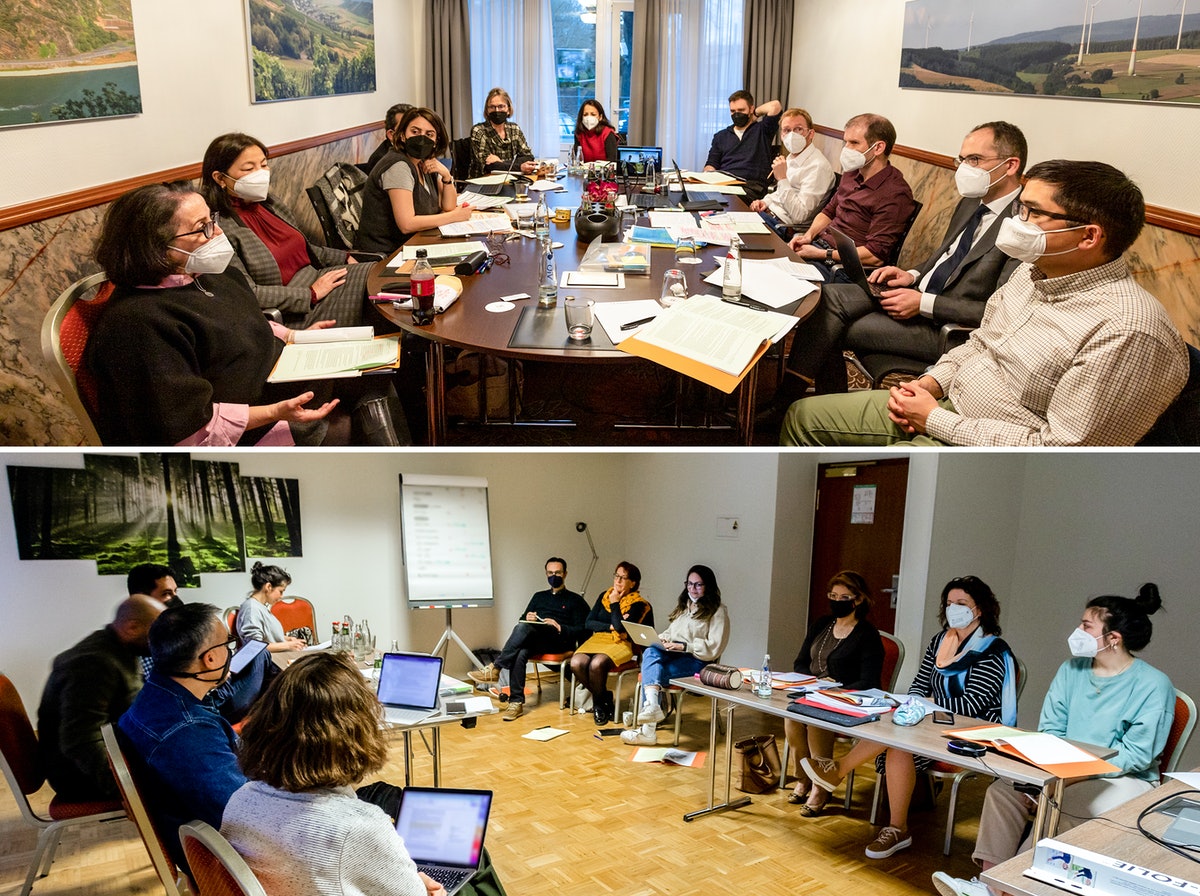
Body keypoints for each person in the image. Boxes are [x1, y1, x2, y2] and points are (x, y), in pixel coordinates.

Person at [781, 160, 1189, 447]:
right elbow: (978, 344)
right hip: (944, 402)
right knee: (802, 417)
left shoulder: (1128, 331)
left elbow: (1062, 451)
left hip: (976, 446)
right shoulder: (1033, 275)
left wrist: (936, 419)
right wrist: (932, 382)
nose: (1017, 221)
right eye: (1020, 208)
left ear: (1088, 236)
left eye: (1032, 213)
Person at [85, 183, 406, 447]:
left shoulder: (208, 276)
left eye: (213, 221)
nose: (217, 235)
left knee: (379, 371)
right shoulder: (137, 326)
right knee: (358, 414)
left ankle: (408, 469)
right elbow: (188, 432)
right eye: (202, 229)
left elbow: (242, 319)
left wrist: (296, 336)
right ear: (155, 248)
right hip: (252, 429)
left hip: (284, 379)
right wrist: (273, 413)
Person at [933, 585, 1173, 896]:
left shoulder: (1153, 685)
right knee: (1003, 791)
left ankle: (1006, 888)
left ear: (1114, 638)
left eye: (1087, 626)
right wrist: (1054, 768)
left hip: (1122, 777)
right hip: (1061, 767)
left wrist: (1076, 774)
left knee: (1062, 803)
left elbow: (1136, 755)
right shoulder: (1070, 670)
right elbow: (1051, 730)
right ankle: (990, 883)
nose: (1077, 631)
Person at [776, 122, 1026, 402]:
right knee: (825, 298)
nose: (963, 168)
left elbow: (999, 313)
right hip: (917, 293)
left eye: (974, 160)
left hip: (945, 327)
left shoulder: (1024, 228)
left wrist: (923, 303)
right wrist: (912, 273)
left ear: (1011, 165)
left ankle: (795, 401)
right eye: (962, 159)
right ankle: (809, 401)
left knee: (830, 326)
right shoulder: (972, 202)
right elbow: (944, 254)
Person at [222, 652, 507, 896]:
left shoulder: (241, 800)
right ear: (355, 733)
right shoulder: (359, 828)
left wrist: (408, 878)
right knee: (473, 867)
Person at [801, 576, 1018, 861]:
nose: (954, 609)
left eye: (962, 604)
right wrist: (913, 702)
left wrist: (927, 704)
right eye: (950, 603)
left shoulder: (992, 650)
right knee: (896, 729)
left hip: (974, 729)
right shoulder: (941, 640)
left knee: (900, 735)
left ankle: (839, 771)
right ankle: (897, 828)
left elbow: (972, 704)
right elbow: (919, 683)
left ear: (980, 609)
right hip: (934, 721)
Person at [118, 603, 246, 868]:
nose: (229, 652)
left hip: (194, 831)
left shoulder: (155, 694)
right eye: (227, 645)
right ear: (209, 658)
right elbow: (243, 816)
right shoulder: (188, 731)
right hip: (222, 859)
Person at [199, 132, 370, 327]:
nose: (261, 173)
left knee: (382, 278)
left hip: (319, 278)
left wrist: (344, 257)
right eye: (249, 168)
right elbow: (247, 292)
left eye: (263, 165)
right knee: (377, 299)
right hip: (294, 310)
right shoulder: (218, 229)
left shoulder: (270, 204)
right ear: (220, 178)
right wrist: (311, 294)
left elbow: (305, 248)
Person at [37, 594, 165, 800]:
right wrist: (127, 792)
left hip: (112, 752)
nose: (162, 639)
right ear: (132, 627)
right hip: (78, 776)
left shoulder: (118, 648)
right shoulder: (94, 663)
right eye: (157, 632)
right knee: (186, 778)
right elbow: (81, 740)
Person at [783, 572, 883, 814]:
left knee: (816, 718)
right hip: (812, 691)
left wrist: (836, 688)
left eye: (844, 597)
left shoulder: (867, 635)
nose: (837, 601)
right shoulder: (821, 625)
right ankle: (804, 777)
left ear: (858, 600)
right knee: (792, 717)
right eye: (833, 596)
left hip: (847, 698)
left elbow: (870, 681)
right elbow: (800, 662)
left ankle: (821, 784)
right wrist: (811, 681)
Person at [787, 113, 916, 279]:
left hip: (842, 268)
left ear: (878, 148)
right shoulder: (851, 173)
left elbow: (875, 256)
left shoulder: (895, 193)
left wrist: (821, 254)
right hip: (819, 249)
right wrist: (808, 236)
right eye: (845, 142)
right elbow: (829, 211)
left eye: (854, 143)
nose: (846, 149)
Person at [467, 557, 589, 721]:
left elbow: (584, 629)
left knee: (523, 635)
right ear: (546, 574)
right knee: (521, 651)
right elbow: (522, 621)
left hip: (559, 641)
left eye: (558, 572)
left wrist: (561, 626)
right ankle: (516, 703)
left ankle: (496, 668)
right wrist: (529, 617)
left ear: (565, 574)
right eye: (550, 572)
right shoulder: (538, 597)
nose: (554, 576)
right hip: (537, 639)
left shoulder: (575, 600)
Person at [621, 565, 730, 746]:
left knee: (651, 674)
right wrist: (661, 640)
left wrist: (684, 646)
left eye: (698, 585)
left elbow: (714, 647)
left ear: (708, 586)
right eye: (689, 584)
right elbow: (671, 633)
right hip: (676, 656)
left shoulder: (718, 611)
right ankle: (653, 707)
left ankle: (648, 731)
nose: (692, 589)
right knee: (650, 650)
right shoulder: (684, 607)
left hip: (699, 662)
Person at [356, 106, 472, 254]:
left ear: (436, 141)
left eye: (429, 134)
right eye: (415, 132)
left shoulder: (423, 161)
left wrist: (446, 175)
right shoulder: (398, 166)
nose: (421, 138)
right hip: (388, 254)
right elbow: (407, 224)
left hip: (415, 243)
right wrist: (454, 217)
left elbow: (448, 205)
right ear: (403, 135)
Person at [568, 562, 651, 725]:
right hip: (597, 640)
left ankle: (599, 706)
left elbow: (621, 630)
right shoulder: (603, 596)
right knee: (576, 662)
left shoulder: (638, 604)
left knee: (596, 664)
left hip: (622, 643)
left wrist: (615, 604)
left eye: (623, 577)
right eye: (616, 576)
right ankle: (604, 697)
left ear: (633, 583)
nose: (618, 580)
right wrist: (610, 626)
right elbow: (589, 622)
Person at [748, 107, 836, 237]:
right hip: (767, 214)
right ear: (782, 136)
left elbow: (800, 216)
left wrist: (782, 178)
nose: (792, 135)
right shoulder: (791, 156)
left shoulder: (818, 167)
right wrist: (765, 202)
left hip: (782, 227)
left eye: (798, 129)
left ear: (810, 134)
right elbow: (779, 194)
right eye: (787, 130)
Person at [704, 90, 782, 200]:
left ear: (751, 108)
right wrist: (707, 177)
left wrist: (756, 113)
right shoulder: (720, 136)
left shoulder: (763, 130)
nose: (736, 114)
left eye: (741, 110)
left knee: (726, 202)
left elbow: (775, 106)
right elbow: (711, 163)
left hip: (751, 187)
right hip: (724, 185)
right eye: (732, 111)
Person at [235, 562, 306, 652]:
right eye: (281, 591)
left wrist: (287, 639)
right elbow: (254, 646)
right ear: (268, 587)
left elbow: (266, 636)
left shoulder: (259, 607)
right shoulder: (252, 609)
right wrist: (287, 645)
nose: (281, 596)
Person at [468, 88, 535, 179]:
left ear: (508, 109)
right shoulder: (478, 131)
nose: (497, 110)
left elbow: (528, 157)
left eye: (501, 106)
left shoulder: (514, 129)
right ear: (487, 111)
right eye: (492, 107)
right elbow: (489, 166)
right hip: (483, 181)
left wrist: (500, 163)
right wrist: (518, 166)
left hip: (510, 179)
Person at [365, 102, 415, 172]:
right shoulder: (383, 160)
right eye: (404, 127)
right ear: (391, 134)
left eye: (414, 130)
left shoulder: (415, 150)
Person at [572, 99, 618, 163]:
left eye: (593, 114)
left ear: (600, 117)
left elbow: (612, 161)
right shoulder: (579, 133)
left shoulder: (608, 133)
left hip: (603, 171)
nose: (588, 118)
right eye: (585, 114)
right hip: (583, 171)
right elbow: (576, 159)